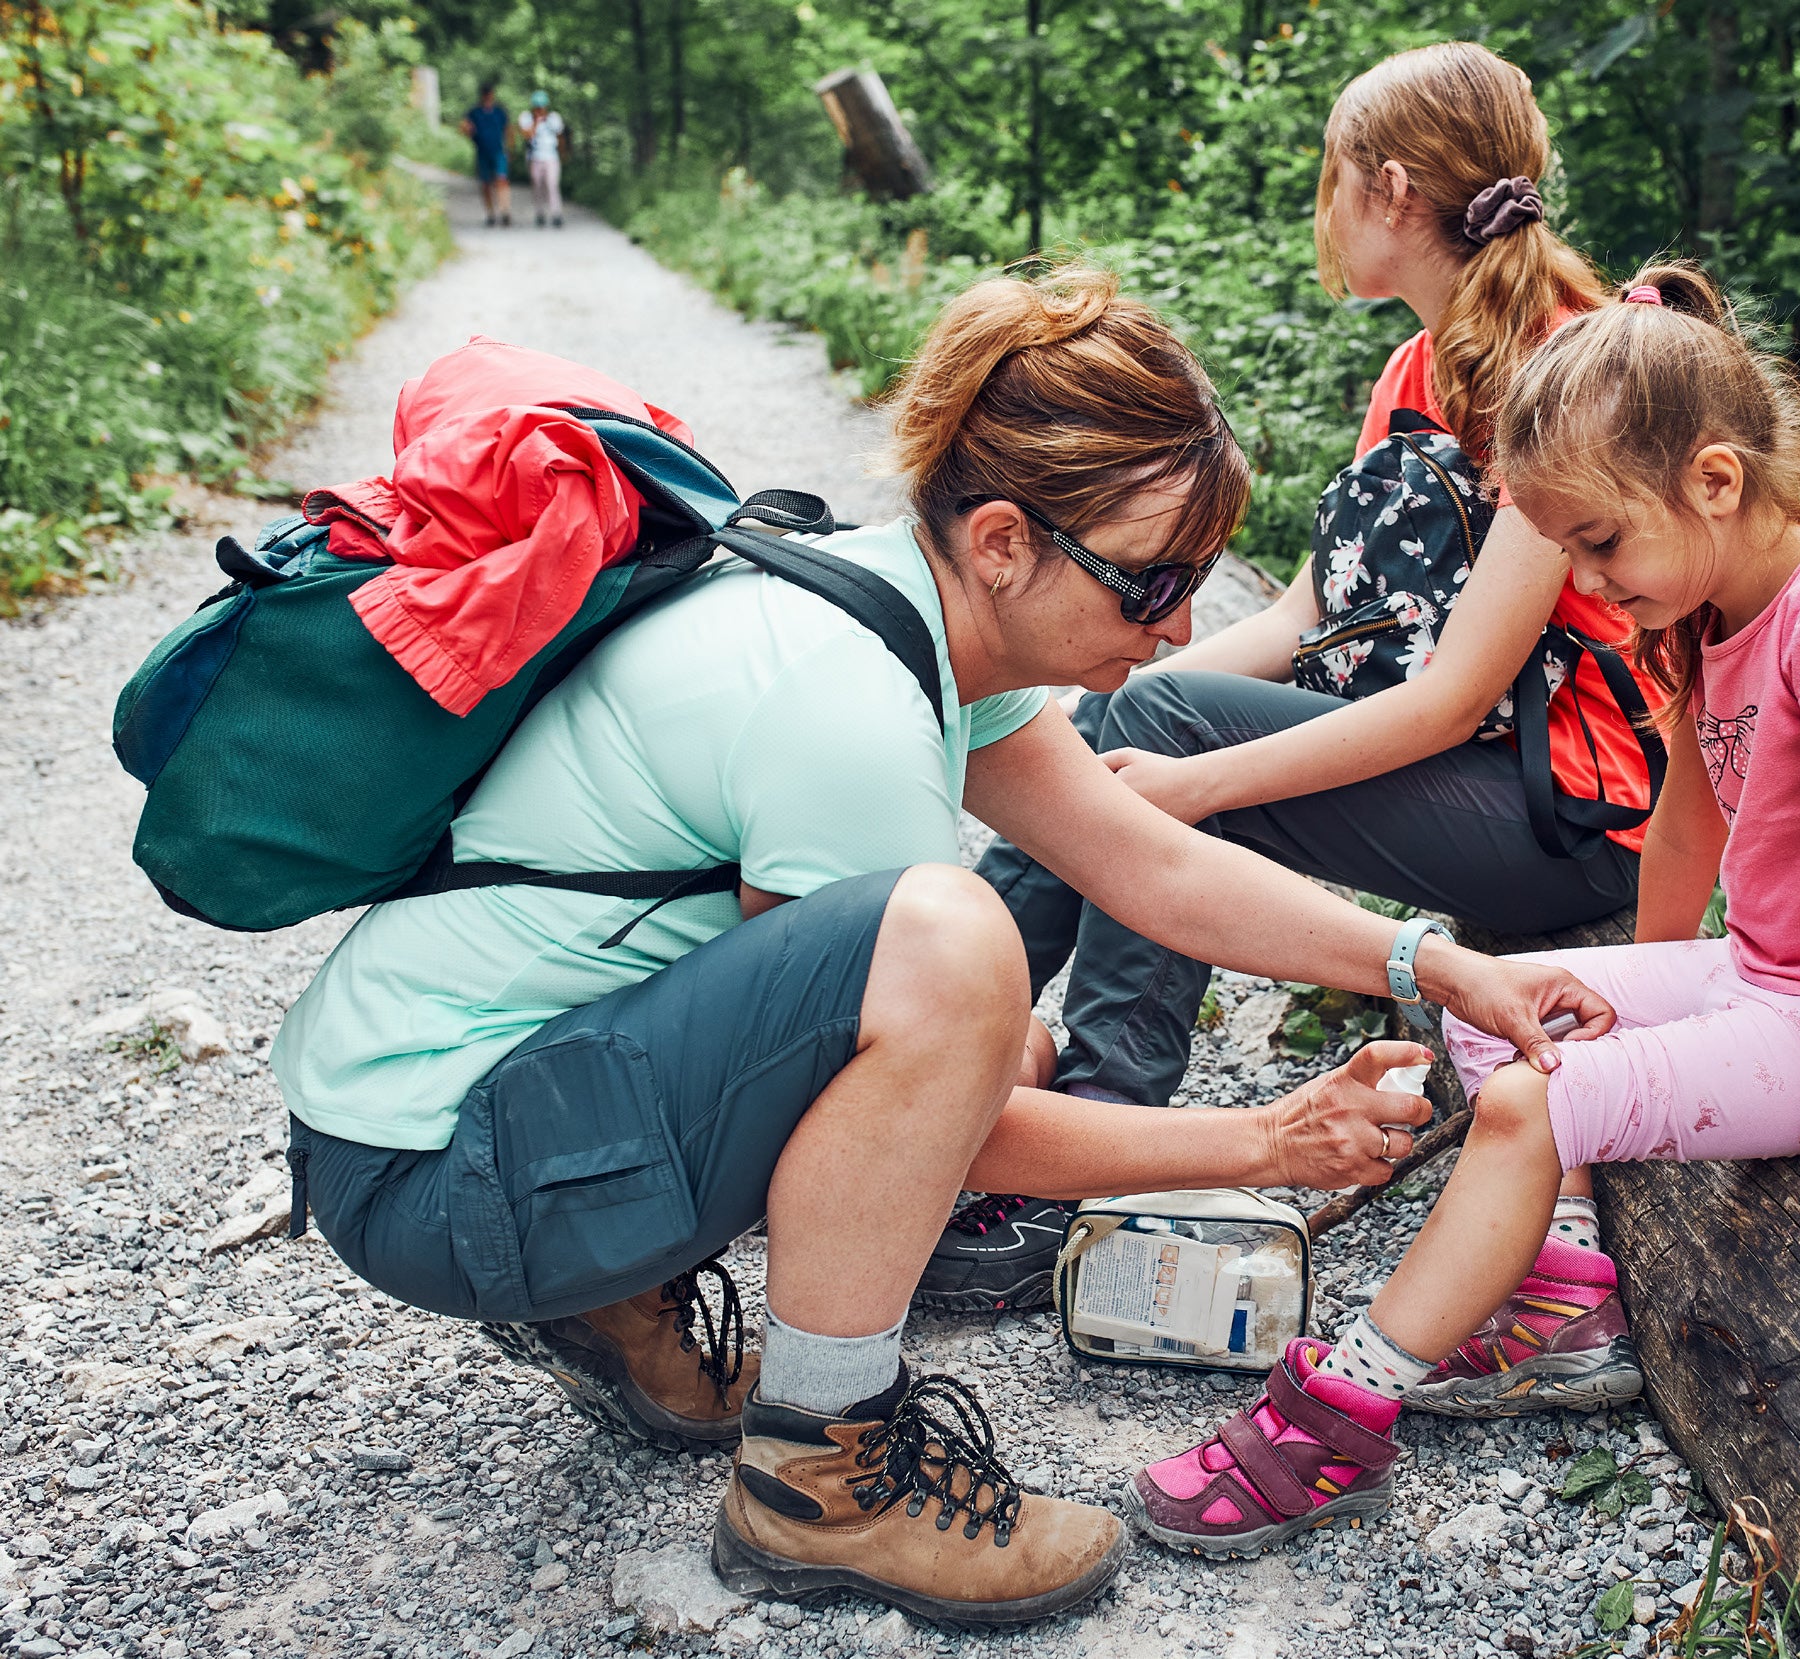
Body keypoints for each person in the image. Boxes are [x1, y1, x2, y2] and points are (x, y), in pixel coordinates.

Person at [272, 265, 1612, 1626]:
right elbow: (924, 1139)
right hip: (440, 1180)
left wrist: (1423, 962)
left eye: (1198, 580)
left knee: (969, 997)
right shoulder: (846, 706)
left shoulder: (884, 603)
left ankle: (611, 1293)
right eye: (1149, 579)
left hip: (445, 1118)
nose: (1175, 629)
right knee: (951, 942)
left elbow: (1147, 862)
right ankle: (821, 1472)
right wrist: (1259, 1144)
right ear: (999, 541)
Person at [1123, 264, 1800, 1557]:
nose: (1587, 575)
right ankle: (1563, 1291)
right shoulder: (1710, 608)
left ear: (1713, 480)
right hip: (1769, 976)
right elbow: (1689, 822)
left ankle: (1344, 1403)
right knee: (1507, 1002)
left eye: (1598, 542)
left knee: (1539, 1099)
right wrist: (1635, 999)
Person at [946, 47, 1661, 1383]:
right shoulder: (1416, 367)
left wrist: (1186, 786)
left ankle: (1087, 1125)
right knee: (1151, 705)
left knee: (1168, 746)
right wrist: (1136, 707)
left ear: (1387, 189)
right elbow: (1327, 626)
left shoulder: (1573, 370)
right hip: (1473, 764)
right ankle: (960, 1051)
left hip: (1568, 809)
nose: (1318, 206)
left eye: (1326, 178)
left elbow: (1448, 698)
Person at [462, 80, 511, 226]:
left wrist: (509, 149)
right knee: (486, 184)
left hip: (499, 151)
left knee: (501, 180)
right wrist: (469, 132)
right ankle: (490, 213)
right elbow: (464, 127)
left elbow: (508, 130)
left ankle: (505, 210)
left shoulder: (499, 112)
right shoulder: (474, 112)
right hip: (482, 152)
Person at [519, 91, 568, 227]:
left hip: (551, 156)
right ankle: (539, 212)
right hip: (535, 157)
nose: (539, 110)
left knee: (552, 184)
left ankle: (556, 213)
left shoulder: (553, 118)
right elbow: (527, 135)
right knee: (537, 185)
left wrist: (563, 153)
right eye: (537, 107)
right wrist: (536, 122)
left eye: (541, 107)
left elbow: (560, 135)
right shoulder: (527, 118)